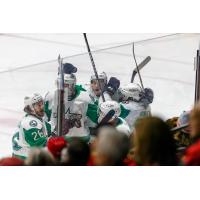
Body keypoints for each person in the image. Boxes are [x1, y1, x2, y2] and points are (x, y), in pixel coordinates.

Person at [12, 93, 52, 160]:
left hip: (25, 157)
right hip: (25, 159)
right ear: (30, 108)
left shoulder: (35, 119)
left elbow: (51, 130)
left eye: (42, 103)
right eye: (39, 105)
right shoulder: (31, 123)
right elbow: (40, 145)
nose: (42, 107)